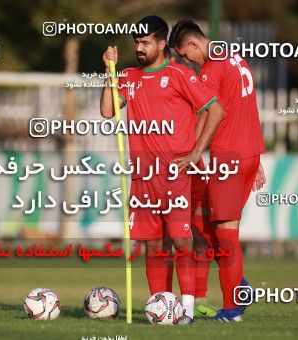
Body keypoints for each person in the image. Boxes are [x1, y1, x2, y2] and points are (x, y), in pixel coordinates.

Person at [100, 15, 223, 324]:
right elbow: (106, 110)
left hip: (175, 175)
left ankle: (188, 311)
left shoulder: (179, 74)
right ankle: (160, 308)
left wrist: (196, 153)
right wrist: (109, 72)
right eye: (136, 43)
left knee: (182, 241)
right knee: (154, 245)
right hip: (143, 175)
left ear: (161, 43)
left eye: (145, 43)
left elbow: (215, 110)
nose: (139, 48)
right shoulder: (128, 75)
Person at [168, 19, 266, 322]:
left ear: (195, 44)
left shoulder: (212, 69)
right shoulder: (236, 58)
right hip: (249, 152)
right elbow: (244, 104)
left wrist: (192, 152)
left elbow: (209, 112)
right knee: (212, 228)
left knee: (226, 236)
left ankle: (232, 309)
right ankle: (241, 287)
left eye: (185, 55)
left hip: (229, 158)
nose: (186, 62)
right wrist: (257, 159)